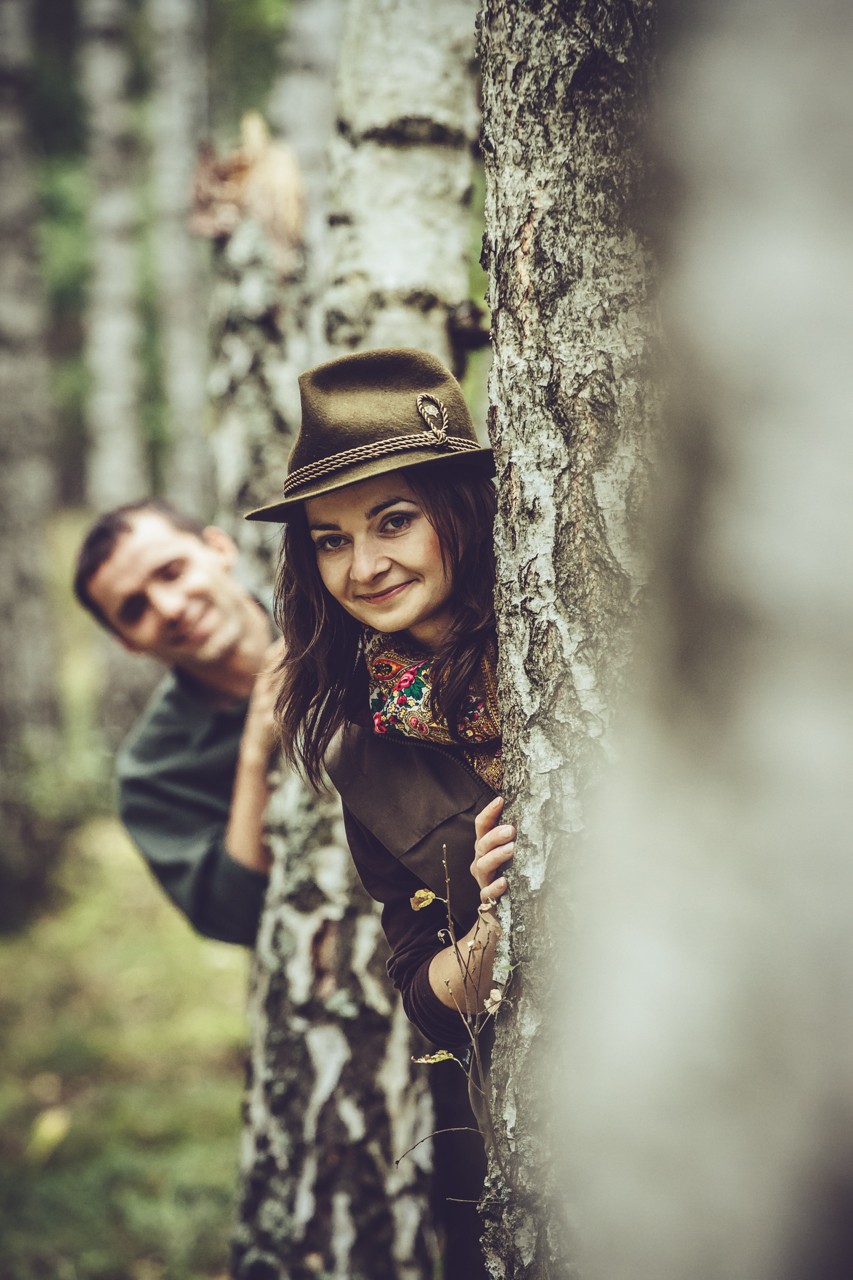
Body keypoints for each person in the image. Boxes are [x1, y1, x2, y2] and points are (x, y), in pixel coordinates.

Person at [247, 345, 515, 1058]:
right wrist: (497, 921)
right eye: (332, 541)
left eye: (393, 520)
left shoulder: (583, 639)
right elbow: (424, 997)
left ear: (459, 505)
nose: (362, 568)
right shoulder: (362, 748)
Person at [73, 500, 280, 944]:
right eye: (133, 609)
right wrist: (255, 754)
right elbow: (233, 918)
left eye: (171, 572)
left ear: (219, 548)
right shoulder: (151, 771)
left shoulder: (345, 614)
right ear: (126, 642)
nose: (167, 608)